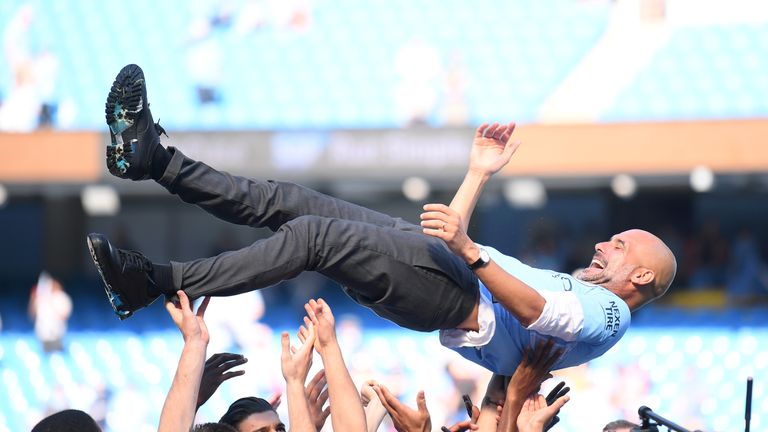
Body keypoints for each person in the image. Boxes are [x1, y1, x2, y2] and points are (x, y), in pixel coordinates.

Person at [87, 64, 677, 375]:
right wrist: (476, 175)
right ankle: (154, 159)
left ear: (643, 277)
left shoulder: (610, 312)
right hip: (445, 272)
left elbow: (534, 309)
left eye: (622, 246)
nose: (606, 243)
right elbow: (460, 244)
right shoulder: (591, 297)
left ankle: (155, 282)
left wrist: (470, 251)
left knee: (310, 235)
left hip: (450, 292)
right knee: (292, 202)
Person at [28, 271, 72, 353]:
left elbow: (64, 315)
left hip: (57, 336)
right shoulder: (41, 299)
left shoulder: (62, 298)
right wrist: (34, 298)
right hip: (44, 336)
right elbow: (32, 314)